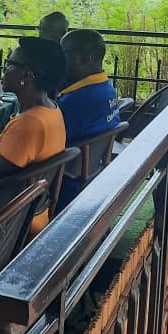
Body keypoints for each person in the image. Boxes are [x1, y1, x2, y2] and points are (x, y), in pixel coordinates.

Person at [0, 37, 66, 234]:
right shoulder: (52, 109)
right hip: (34, 214)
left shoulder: (28, 125)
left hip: (10, 227)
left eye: (8, 65)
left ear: (26, 74)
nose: (4, 71)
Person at [57, 29, 121, 207]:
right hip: (89, 176)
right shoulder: (106, 89)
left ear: (85, 59)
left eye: (64, 56)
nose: (60, 62)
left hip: (63, 183)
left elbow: (44, 142)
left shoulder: (76, 101)